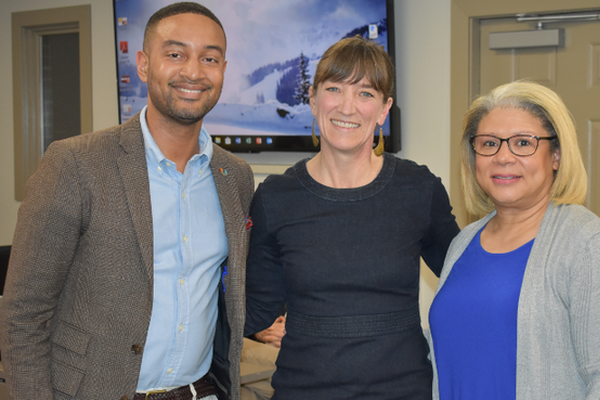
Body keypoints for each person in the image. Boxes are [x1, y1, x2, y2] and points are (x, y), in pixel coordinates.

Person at [0, 3, 254, 400]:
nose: (193, 71)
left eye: (210, 58)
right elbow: (22, 314)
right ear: (143, 64)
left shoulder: (234, 177)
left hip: (198, 391)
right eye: (175, 54)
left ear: (223, 69)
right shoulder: (75, 163)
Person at [244, 35, 460, 400]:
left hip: (401, 391)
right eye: (334, 89)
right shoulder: (274, 197)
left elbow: (465, 281)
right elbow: (254, 307)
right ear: (312, 99)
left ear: (383, 109)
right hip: (303, 390)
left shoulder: (418, 189)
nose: (347, 107)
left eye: (365, 93)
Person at [428, 80, 600, 399]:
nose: (503, 157)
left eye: (523, 143)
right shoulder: (463, 243)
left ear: (557, 156)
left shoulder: (586, 242)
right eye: (489, 144)